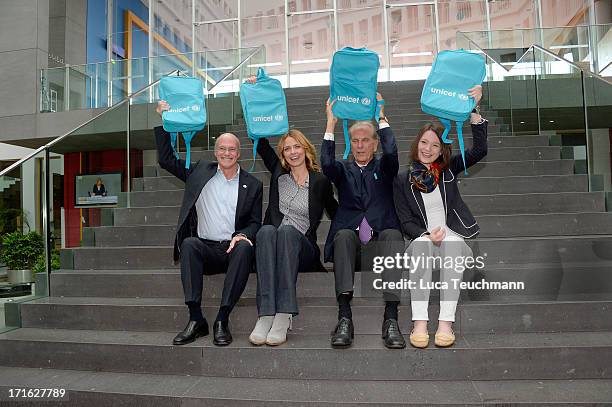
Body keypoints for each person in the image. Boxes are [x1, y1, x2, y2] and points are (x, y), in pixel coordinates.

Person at [155, 100, 263, 347]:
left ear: (239, 153)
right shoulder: (200, 171)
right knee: (189, 244)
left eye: (232, 149)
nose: (227, 153)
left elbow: (256, 222)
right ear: (215, 152)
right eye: (222, 149)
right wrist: (163, 121)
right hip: (205, 247)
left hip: (231, 250)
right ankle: (196, 319)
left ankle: (222, 319)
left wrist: (243, 234)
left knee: (245, 246)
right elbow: (166, 160)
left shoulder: (253, 184)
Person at [393, 86, 486, 348]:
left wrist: (475, 111)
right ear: (416, 144)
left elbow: (479, 151)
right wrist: (425, 234)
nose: (428, 149)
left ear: (441, 149)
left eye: (435, 145)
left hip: (453, 239)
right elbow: (405, 220)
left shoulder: (448, 171)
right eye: (424, 142)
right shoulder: (402, 180)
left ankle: (446, 322)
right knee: (422, 246)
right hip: (424, 240)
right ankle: (420, 322)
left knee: (454, 246)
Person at [321, 94, 406, 349]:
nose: (359, 146)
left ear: (374, 144)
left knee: (393, 234)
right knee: (344, 235)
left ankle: (391, 319)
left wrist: (381, 116)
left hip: (381, 246)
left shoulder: (385, 167)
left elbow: (392, 151)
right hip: (352, 249)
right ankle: (344, 318)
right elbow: (326, 164)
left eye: (365, 140)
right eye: (355, 141)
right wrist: (330, 124)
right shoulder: (343, 170)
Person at [248, 129, 338, 346]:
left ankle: (283, 315)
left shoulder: (320, 181)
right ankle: (266, 315)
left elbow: (338, 212)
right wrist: (255, 110)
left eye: (297, 146)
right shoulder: (279, 175)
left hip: (302, 248)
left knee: (287, 232)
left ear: (306, 149)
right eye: (287, 148)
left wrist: (364, 227)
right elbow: (260, 140)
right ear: (282, 155)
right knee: (266, 230)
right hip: (274, 246)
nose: (292, 152)